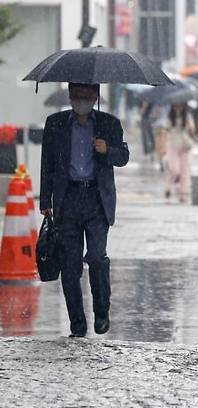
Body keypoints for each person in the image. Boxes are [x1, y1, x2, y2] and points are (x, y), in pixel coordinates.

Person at [39, 82, 129, 337]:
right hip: (67, 200)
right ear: (69, 96)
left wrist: (106, 149)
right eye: (76, 96)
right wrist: (45, 201)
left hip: (97, 200)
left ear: (96, 96)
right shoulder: (55, 124)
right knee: (70, 265)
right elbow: (47, 163)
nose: (81, 101)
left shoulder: (108, 123)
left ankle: (102, 311)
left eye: (86, 96)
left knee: (97, 257)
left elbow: (123, 156)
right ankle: (77, 323)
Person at [164, 103, 196, 203]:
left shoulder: (188, 117)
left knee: (185, 172)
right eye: (176, 105)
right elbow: (166, 130)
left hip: (185, 146)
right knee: (174, 169)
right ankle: (168, 187)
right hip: (173, 146)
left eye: (180, 105)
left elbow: (193, 132)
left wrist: (189, 127)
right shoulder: (169, 118)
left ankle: (183, 194)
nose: (178, 107)